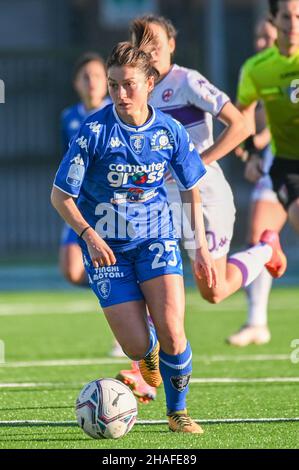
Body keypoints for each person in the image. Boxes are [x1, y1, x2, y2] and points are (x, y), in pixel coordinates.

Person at [51, 30, 218, 433]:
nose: (120, 93)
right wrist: (89, 235)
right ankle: (147, 354)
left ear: (149, 84)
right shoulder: (92, 132)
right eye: (114, 85)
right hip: (106, 247)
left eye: (128, 84)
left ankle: (177, 412)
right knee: (136, 345)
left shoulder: (169, 132)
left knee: (174, 332)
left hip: (156, 239)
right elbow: (60, 197)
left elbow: (192, 189)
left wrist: (200, 247)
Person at [116, 14, 287, 395]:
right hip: (160, 205)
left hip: (205, 199)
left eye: (155, 42)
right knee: (152, 283)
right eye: (141, 44)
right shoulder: (135, 92)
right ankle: (144, 372)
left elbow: (240, 126)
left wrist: (198, 163)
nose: (149, 50)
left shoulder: (186, 81)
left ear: (171, 45)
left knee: (213, 290)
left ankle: (264, 250)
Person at [235, 0, 299, 342]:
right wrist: (251, 154)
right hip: (283, 164)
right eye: (258, 37)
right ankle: (257, 320)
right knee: (260, 238)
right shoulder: (258, 70)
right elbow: (242, 120)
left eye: (265, 36)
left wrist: (261, 138)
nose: (261, 42)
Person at [59, 52, 110, 287]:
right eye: (85, 76)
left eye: (98, 76)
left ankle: (125, 288)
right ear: (76, 83)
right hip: (81, 204)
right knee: (71, 271)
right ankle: (115, 283)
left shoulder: (116, 113)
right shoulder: (68, 116)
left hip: (112, 204)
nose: (92, 82)